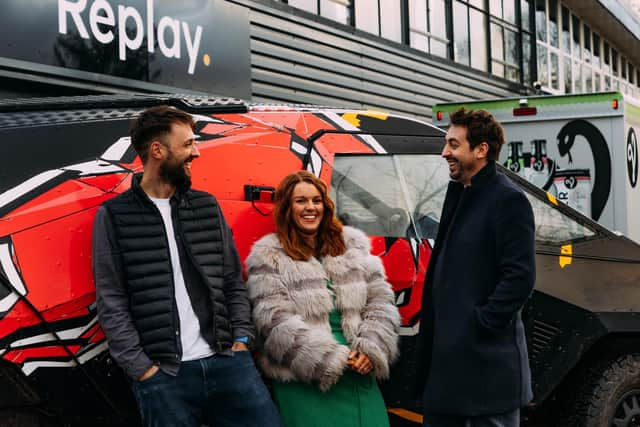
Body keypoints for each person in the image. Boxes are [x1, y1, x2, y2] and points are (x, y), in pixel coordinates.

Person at [92, 105, 281, 427]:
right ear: (158, 150)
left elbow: (232, 279)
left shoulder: (206, 206)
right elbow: (111, 301)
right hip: (164, 376)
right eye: (188, 144)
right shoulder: (113, 216)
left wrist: (241, 340)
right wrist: (142, 369)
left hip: (228, 363)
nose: (196, 153)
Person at [245, 170, 400, 427]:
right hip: (305, 375)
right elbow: (273, 322)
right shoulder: (268, 256)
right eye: (301, 201)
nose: (310, 207)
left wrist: (370, 349)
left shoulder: (352, 246)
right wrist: (333, 358)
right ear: (286, 207)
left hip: (359, 367)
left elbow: (381, 302)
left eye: (316, 200)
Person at [415, 108, 536, 427]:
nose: (445, 152)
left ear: (481, 149)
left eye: (454, 144)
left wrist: (479, 324)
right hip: (448, 376)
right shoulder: (459, 192)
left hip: (487, 377)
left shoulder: (508, 199)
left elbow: (520, 277)